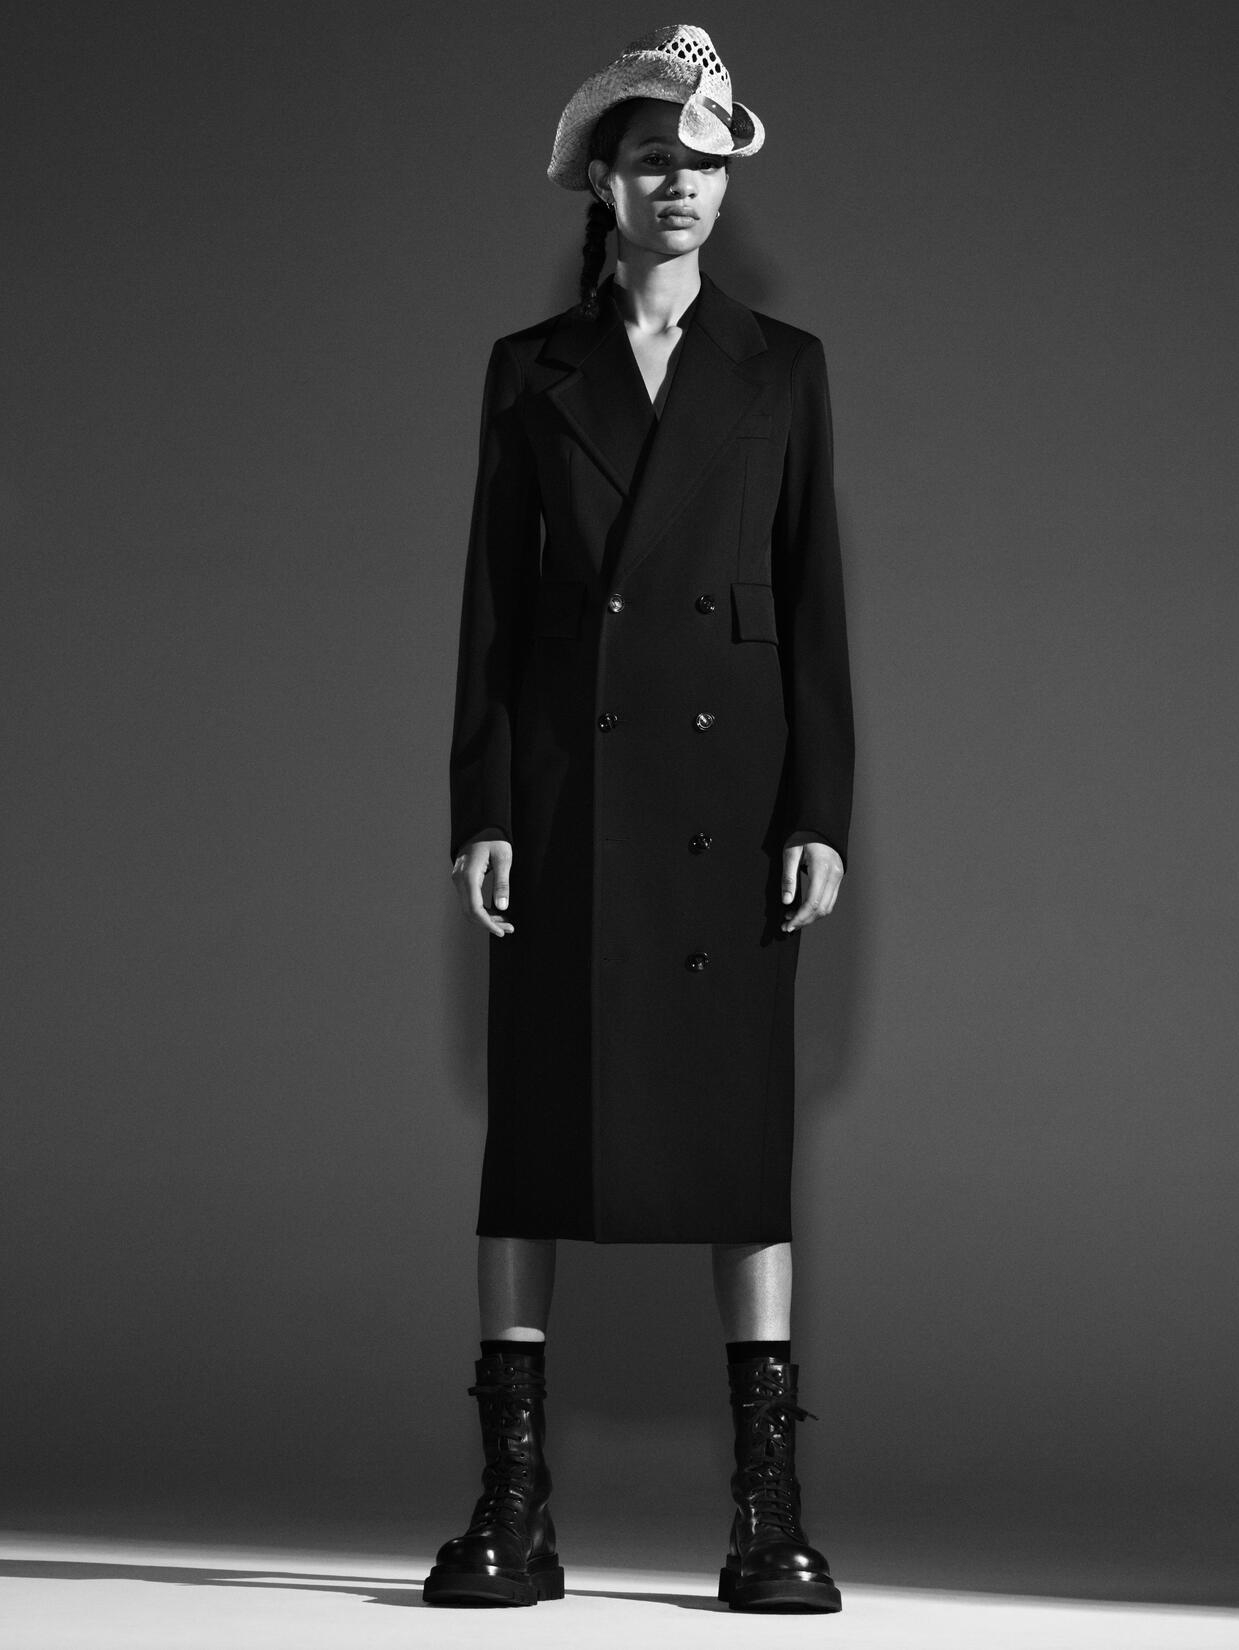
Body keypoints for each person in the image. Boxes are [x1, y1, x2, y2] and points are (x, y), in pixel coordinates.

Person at [423, 23, 854, 1614]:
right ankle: (514, 1505)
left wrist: (821, 807)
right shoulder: (528, 371)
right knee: (535, 1139)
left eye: (706, 160)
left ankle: (768, 1513)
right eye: (656, 159)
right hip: (569, 795)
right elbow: (492, 604)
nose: (685, 183)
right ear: (600, 184)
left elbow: (814, 602)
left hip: (729, 798)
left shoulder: (784, 366)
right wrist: (484, 800)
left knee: (742, 1149)